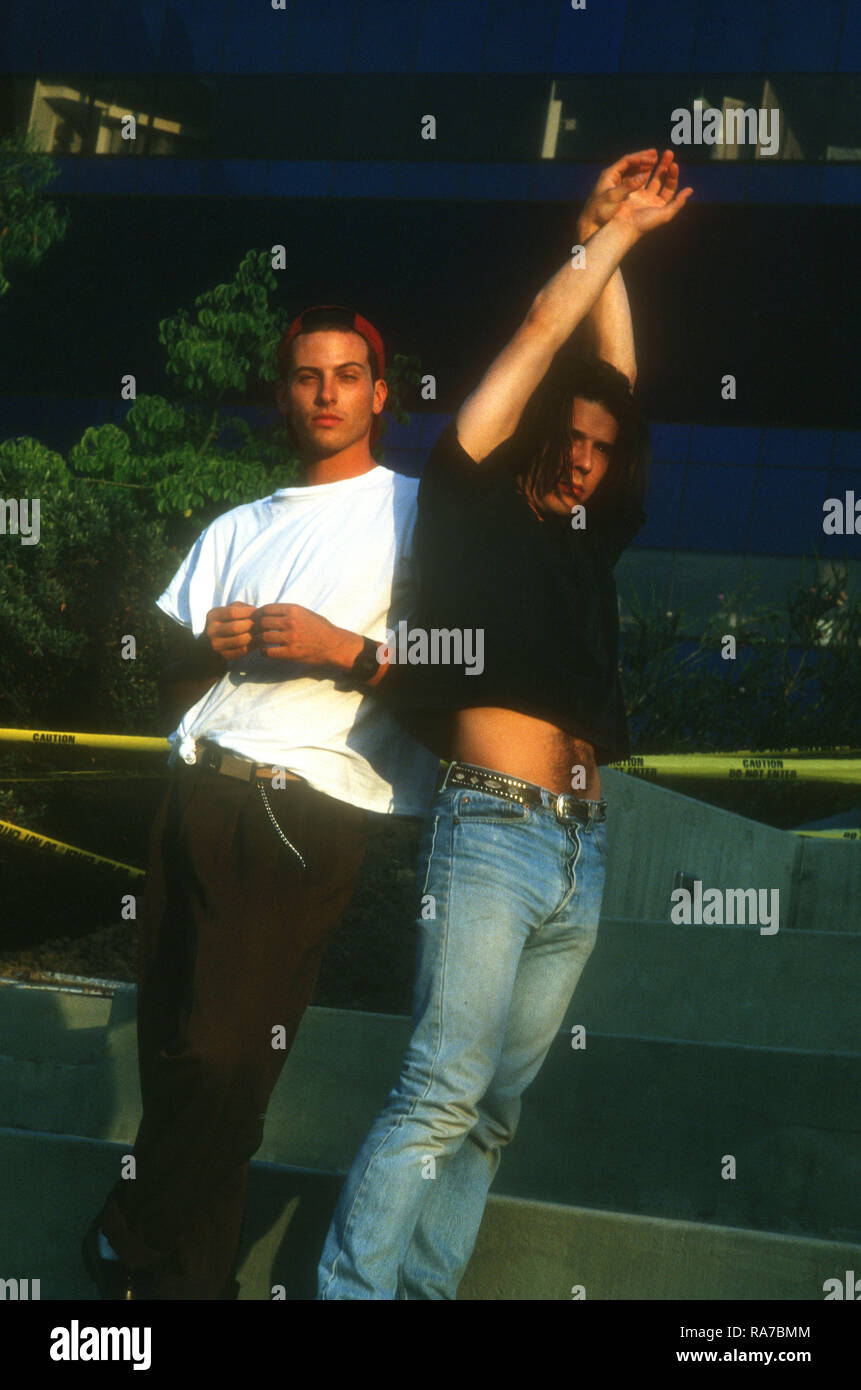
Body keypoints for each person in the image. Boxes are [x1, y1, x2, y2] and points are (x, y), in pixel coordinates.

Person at [317, 150, 693, 1299]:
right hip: (492, 833)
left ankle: (424, 1293)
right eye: (568, 441)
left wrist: (607, 228)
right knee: (442, 1084)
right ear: (531, 436)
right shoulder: (470, 488)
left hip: (582, 853)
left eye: (598, 449)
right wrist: (609, 236)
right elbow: (547, 331)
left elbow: (616, 377)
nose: (584, 458)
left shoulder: (591, 530)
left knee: (493, 1112)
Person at [83, 304, 438, 1299]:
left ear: (381, 391)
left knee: (225, 1057)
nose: (325, 393)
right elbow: (167, 691)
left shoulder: (416, 512)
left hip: (302, 810)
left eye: (347, 374)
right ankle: (176, 1291)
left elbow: (461, 670)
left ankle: (126, 1232)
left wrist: (347, 649)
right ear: (282, 393)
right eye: (306, 376)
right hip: (195, 794)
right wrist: (210, 650)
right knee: (179, 1065)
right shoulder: (237, 526)